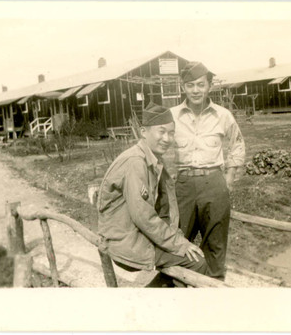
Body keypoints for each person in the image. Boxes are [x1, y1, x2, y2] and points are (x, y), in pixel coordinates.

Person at [97, 102, 207, 287]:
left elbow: (164, 208)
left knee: (188, 254)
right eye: (161, 131)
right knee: (197, 262)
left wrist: (178, 239)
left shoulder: (154, 161)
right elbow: (144, 217)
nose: (167, 138)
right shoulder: (135, 162)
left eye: (171, 133)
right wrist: (180, 244)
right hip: (124, 240)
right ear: (143, 132)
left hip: (133, 234)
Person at [170, 61, 246, 280]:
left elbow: (238, 144)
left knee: (215, 243)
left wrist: (229, 178)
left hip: (214, 183)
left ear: (209, 86)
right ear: (183, 87)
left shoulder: (223, 115)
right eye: (190, 85)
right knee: (177, 239)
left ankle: (213, 286)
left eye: (201, 85)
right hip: (183, 185)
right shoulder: (172, 116)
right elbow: (158, 145)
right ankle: (179, 284)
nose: (196, 90)